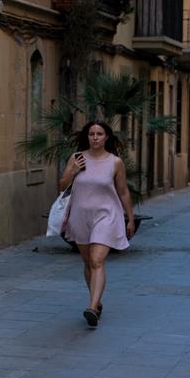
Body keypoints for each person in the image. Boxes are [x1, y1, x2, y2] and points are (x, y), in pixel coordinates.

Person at [59, 121, 135, 327]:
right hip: (80, 216)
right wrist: (72, 170)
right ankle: (97, 301)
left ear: (106, 137)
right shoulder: (77, 159)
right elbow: (62, 186)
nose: (95, 137)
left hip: (106, 215)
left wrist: (130, 217)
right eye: (91, 134)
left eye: (99, 134)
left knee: (97, 260)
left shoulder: (115, 162)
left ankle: (92, 308)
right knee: (88, 263)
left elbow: (123, 192)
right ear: (87, 137)